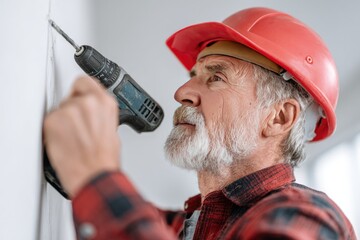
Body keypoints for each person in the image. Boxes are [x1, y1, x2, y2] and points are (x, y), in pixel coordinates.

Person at [43, 7, 356, 240]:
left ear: (279, 117)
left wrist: (96, 174)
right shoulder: (185, 229)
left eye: (216, 78)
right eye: (192, 77)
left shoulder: (309, 217)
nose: (182, 93)